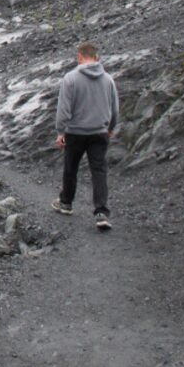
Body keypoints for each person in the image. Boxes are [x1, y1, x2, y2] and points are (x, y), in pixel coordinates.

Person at [52, 42, 119, 230]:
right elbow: (114, 107)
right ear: (97, 58)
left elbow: (64, 108)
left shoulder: (70, 78)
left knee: (70, 167)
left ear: (79, 57)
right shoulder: (108, 79)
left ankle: (66, 202)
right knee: (99, 171)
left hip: (75, 132)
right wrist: (111, 126)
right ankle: (101, 212)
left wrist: (60, 131)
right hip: (99, 131)